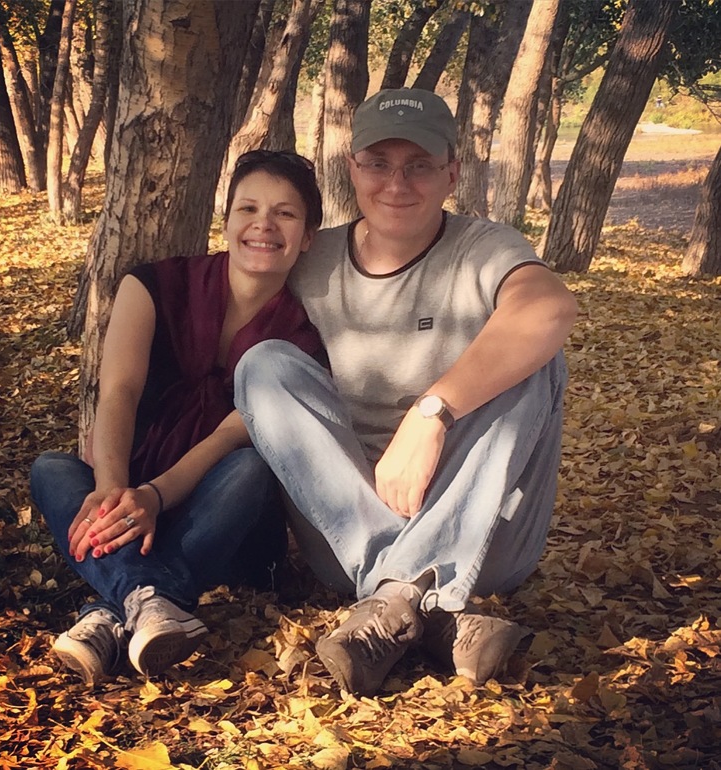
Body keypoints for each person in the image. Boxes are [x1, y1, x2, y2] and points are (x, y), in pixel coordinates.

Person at [234, 88, 578, 697]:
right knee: (263, 365)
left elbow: (548, 308)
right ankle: (430, 606)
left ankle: (394, 597)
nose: (397, 183)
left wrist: (432, 413)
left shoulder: (484, 248)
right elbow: (213, 309)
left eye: (419, 164)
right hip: (346, 532)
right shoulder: (313, 257)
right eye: (378, 163)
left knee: (536, 360)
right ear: (352, 168)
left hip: (484, 535)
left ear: (452, 172)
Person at [30, 150, 323, 685]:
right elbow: (118, 391)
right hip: (131, 483)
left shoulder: (302, 336)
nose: (263, 224)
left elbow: (228, 438)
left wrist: (153, 497)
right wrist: (113, 490)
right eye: (248, 208)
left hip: (220, 512)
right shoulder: (152, 286)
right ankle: (150, 600)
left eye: (285, 213)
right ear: (226, 219)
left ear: (307, 237)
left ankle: (110, 611)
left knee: (251, 467)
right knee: (51, 469)